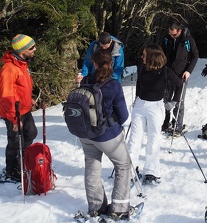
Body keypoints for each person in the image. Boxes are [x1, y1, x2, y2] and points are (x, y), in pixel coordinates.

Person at [79, 49, 131, 220]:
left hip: (86, 133)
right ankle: (120, 209)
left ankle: (96, 208)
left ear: (94, 64)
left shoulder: (85, 81)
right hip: (106, 135)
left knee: (92, 166)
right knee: (123, 166)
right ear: (112, 63)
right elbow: (123, 115)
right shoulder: (113, 84)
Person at [128, 44, 183, 184]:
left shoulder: (165, 71)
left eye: (144, 55)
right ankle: (129, 171)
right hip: (140, 105)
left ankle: (151, 171)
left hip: (156, 107)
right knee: (134, 139)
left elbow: (179, 84)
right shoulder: (141, 68)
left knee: (153, 139)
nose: (142, 57)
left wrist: (174, 101)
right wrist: (136, 98)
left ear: (152, 57)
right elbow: (139, 85)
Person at [0, 34, 39, 182]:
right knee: (15, 140)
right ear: (22, 51)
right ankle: (11, 170)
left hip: (24, 108)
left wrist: (30, 98)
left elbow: (21, 87)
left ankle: (23, 160)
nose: (35, 49)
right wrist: (14, 120)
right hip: (13, 112)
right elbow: (6, 96)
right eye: (31, 48)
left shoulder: (22, 64)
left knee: (31, 133)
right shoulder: (9, 69)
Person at [161, 21, 199, 135]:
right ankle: (166, 122)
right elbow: (162, 54)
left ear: (179, 31)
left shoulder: (188, 40)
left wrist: (188, 71)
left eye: (174, 34)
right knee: (166, 98)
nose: (172, 36)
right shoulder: (166, 39)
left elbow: (195, 55)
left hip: (181, 74)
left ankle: (178, 124)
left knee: (179, 100)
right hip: (168, 73)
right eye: (170, 33)